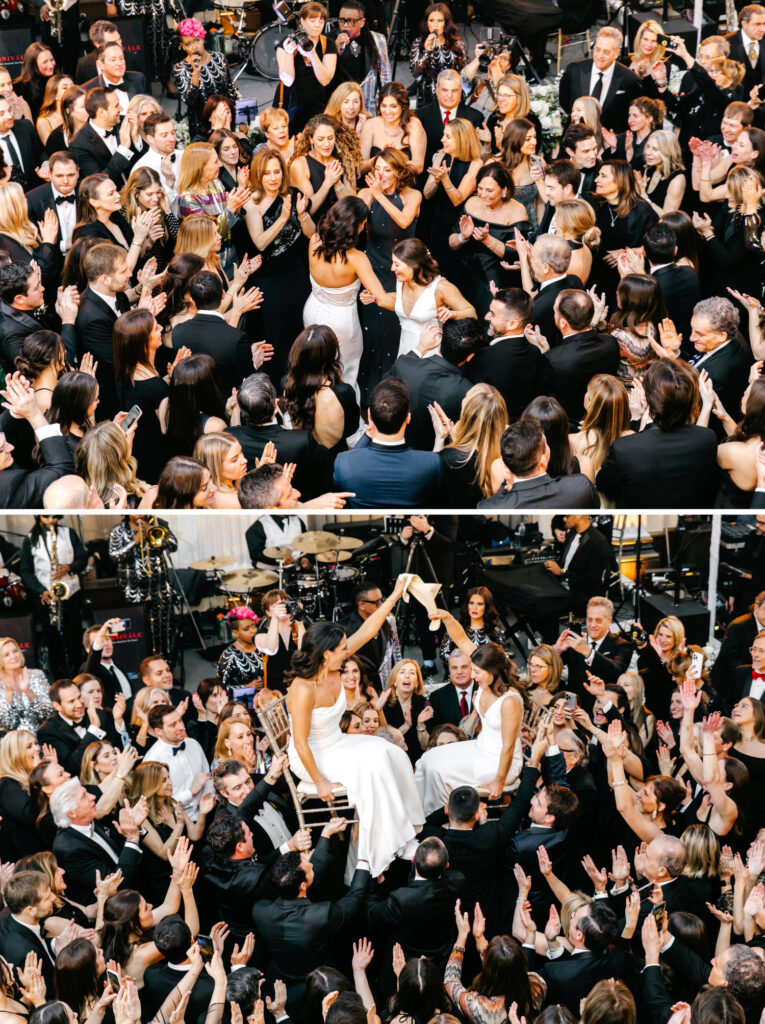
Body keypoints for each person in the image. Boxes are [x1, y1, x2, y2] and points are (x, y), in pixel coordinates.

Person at [285, 580, 424, 877]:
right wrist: (320, 782)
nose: (348, 652)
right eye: (342, 649)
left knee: (391, 753)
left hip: (336, 742)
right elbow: (298, 744)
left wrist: (396, 594)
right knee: (371, 769)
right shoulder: (303, 688)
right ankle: (380, 854)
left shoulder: (335, 663)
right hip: (312, 755)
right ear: (326, 655)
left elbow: (369, 630)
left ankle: (404, 835)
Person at [597, 359, 719, 508]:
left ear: (647, 398)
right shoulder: (708, 438)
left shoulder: (624, 448)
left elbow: (604, 485)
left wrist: (636, 420)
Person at [244, 148, 313, 388]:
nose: (273, 178)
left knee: (299, 333)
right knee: (275, 337)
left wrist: (302, 215)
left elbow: (312, 235)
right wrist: (283, 218)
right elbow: (260, 242)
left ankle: (300, 386)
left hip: (297, 277)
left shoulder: (294, 195)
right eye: (267, 174)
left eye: (277, 172)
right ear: (258, 176)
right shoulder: (251, 203)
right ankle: (275, 391)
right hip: (270, 281)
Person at [357, 145, 421, 398]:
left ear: (397, 172)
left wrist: (379, 195)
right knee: (372, 336)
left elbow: (404, 221)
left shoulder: (412, 196)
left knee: (396, 334)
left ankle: (394, 395)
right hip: (372, 271)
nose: (381, 175)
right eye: (377, 169)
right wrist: (369, 196)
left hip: (402, 274)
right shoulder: (366, 193)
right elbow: (355, 227)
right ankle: (369, 397)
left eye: (387, 170)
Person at [304, 196, 385, 391]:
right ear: (356, 227)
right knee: (345, 373)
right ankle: (344, 414)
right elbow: (381, 297)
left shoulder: (315, 240)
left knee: (317, 368)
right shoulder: (357, 258)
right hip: (342, 323)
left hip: (312, 310)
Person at [332, 378, 442, 507]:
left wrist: (367, 434)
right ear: (408, 417)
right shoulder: (432, 462)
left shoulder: (343, 462)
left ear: (369, 416)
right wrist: (440, 439)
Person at [364, 237, 475, 359]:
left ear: (414, 265)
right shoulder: (402, 281)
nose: (392, 268)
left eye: (397, 264)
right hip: (405, 353)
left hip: (430, 356)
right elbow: (401, 300)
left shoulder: (441, 288)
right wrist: (373, 297)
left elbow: (472, 313)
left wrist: (453, 314)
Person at [448, 162, 529, 316]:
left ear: (504, 190)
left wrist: (488, 240)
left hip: (498, 280)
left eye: (489, 190)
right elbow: (451, 243)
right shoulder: (472, 204)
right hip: (466, 274)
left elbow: (516, 254)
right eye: (480, 188)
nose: (483, 195)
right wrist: (463, 237)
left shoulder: (517, 212)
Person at [480, 417, 600, 509]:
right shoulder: (580, 487)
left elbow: (495, 501)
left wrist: (507, 484)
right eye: (546, 444)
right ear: (543, 461)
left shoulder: (487, 507)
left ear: (506, 468)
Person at [19, 516, 87, 677]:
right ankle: (58, 676)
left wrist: (69, 567)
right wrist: (40, 589)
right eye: (46, 516)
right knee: (52, 639)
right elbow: (25, 570)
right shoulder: (30, 539)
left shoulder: (68, 533)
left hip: (71, 593)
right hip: (47, 596)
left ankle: (77, 673)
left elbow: (83, 559)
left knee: (74, 637)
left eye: (54, 517)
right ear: (38, 517)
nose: (51, 520)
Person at [108, 516, 179, 664]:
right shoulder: (118, 530)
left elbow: (173, 545)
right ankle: (141, 666)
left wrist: (156, 532)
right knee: (139, 632)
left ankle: (167, 665)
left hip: (159, 589)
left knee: (164, 630)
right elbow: (114, 557)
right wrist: (135, 542)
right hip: (133, 592)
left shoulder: (159, 523)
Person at [282, 325, 359, 457]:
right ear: (330, 357)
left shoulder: (288, 384)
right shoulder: (343, 393)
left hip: (303, 456)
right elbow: (352, 428)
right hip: (333, 458)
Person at [559, 27, 642, 134]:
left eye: (606, 52)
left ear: (616, 53)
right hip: (575, 137)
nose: (600, 55)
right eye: (597, 49)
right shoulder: (574, 70)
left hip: (610, 143)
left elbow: (632, 115)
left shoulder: (630, 80)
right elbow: (564, 101)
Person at [275, 1, 338, 133]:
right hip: (292, 101)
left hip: (319, 102)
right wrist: (288, 53)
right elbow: (287, 80)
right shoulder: (286, 43)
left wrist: (312, 55)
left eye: (321, 21)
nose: (317, 25)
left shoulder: (328, 44)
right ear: (301, 21)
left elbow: (325, 79)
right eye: (312, 20)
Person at [173, 19, 236, 140]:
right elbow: (188, 100)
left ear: (202, 38)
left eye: (197, 40)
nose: (195, 46)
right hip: (200, 126)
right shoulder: (180, 68)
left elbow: (231, 90)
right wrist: (196, 73)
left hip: (225, 121)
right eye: (188, 43)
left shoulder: (219, 58)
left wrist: (241, 120)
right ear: (183, 47)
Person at [332, 0, 391, 115]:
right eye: (342, 20)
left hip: (368, 106)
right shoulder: (330, 40)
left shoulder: (377, 39)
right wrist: (334, 48)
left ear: (362, 22)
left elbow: (385, 75)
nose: (345, 25)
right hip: (342, 107)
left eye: (350, 21)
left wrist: (385, 102)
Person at [359, 81, 427, 177]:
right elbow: (360, 168)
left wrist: (395, 159)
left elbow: (419, 166)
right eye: (384, 106)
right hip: (375, 183)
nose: (387, 111)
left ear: (403, 106)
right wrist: (380, 158)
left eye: (393, 106)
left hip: (405, 184)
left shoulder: (413, 124)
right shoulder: (370, 125)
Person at [409, 3, 467, 108]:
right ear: (426, 23)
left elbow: (466, 75)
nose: (435, 25)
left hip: (452, 99)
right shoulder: (418, 43)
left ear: (446, 23)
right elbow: (415, 72)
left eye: (440, 21)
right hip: (428, 100)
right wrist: (427, 51)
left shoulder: (457, 45)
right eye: (431, 20)